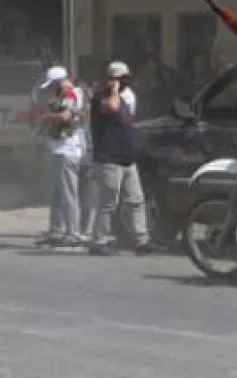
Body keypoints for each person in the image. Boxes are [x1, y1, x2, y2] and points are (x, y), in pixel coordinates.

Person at [86, 61, 152, 256]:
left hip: (127, 157)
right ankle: (99, 241)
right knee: (108, 202)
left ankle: (141, 240)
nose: (122, 83)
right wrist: (113, 88)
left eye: (124, 79)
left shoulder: (128, 96)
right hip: (108, 157)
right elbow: (112, 107)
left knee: (136, 200)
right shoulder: (101, 98)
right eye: (117, 79)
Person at [34, 65, 87, 248]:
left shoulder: (72, 94)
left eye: (54, 84)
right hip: (60, 148)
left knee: (68, 194)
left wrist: (47, 117)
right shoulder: (65, 95)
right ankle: (56, 231)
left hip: (68, 149)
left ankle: (73, 232)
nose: (52, 88)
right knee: (58, 193)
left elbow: (65, 116)